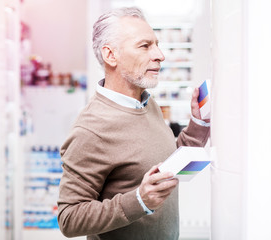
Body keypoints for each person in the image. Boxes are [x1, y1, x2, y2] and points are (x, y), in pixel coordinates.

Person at [57, 7, 210, 240]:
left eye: (156, 44)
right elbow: (69, 218)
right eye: (145, 46)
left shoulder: (148, 104)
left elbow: (169, 167)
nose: (160, 54)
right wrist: (139, 201)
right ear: (111, 55)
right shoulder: (91, 129)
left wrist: (199, 122)